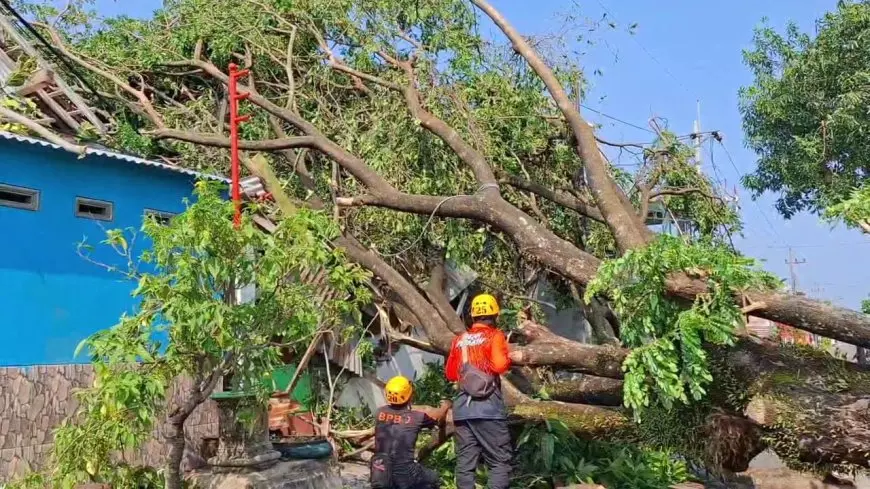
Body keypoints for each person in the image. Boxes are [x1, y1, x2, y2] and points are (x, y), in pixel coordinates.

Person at [444, 293, 512, 489]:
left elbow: (450, 373)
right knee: (499, 461)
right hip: (489, 410)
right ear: (495, 315)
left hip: (463, 411)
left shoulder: (460, 340)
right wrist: (507, 356)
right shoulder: (494, 336)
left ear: (472, 316)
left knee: (465, 464)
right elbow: (499, 366)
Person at [371, 375, 452, 489]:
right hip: (405, 473)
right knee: (434, 478)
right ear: (410, 396)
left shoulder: (380, 412)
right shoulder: (418, 417)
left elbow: (397, 416)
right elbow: (438, 419)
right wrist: (446, 406)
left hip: (379, 472)